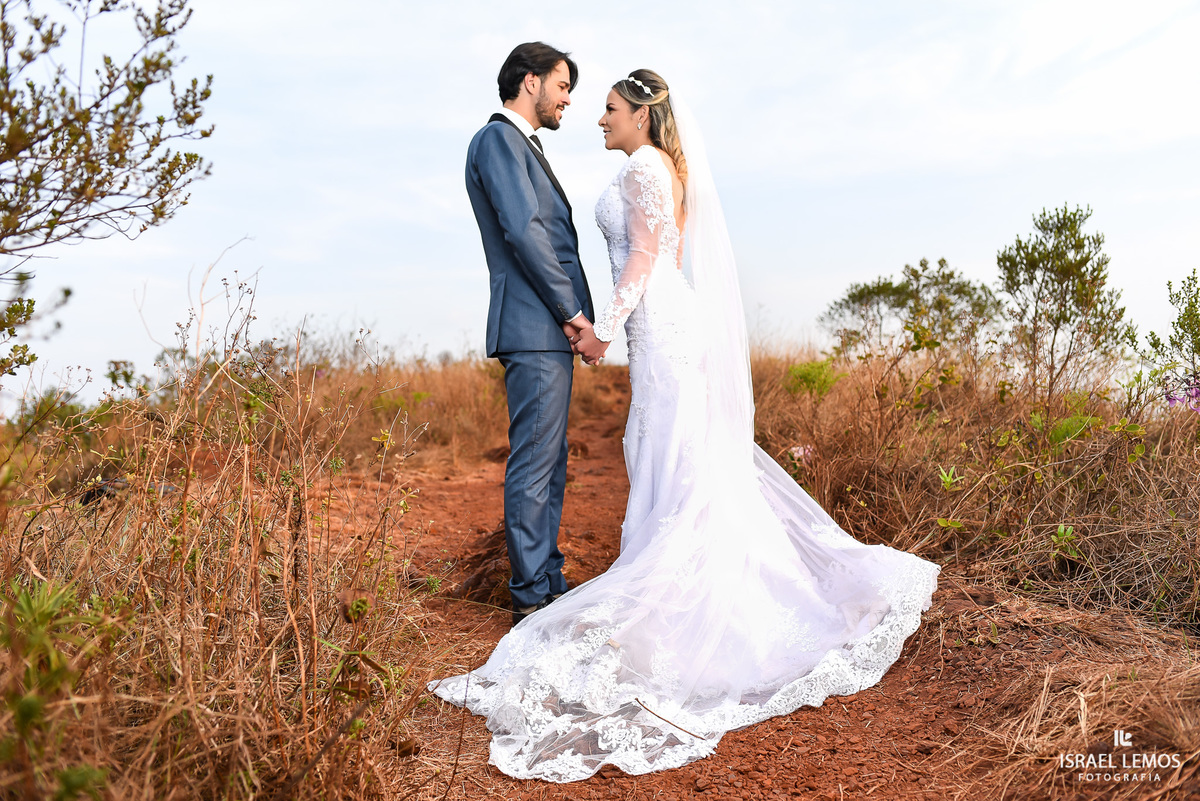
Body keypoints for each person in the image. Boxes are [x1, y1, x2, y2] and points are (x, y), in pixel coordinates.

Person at [432, 68, 940, 783]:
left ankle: (673, 596)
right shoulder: (663, 165)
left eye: (607, 108)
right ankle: (669, 576)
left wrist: (603, 328)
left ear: (640, 115)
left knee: (668, 445)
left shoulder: (644, 166)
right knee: (669, 448)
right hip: (664, 321)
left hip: (661, 323)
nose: (597, 118)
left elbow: (642, 256)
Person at [463, 42, 595, 626]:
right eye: (563, 85)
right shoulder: (498, 140)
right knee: (535, 464)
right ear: (531, 80)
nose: (568, 98)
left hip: (545, 328)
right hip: (535, 324)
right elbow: (523, 230)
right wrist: (572, 314)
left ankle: (546, 579)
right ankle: (530, 598)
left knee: (550, 463)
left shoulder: (524, 146)